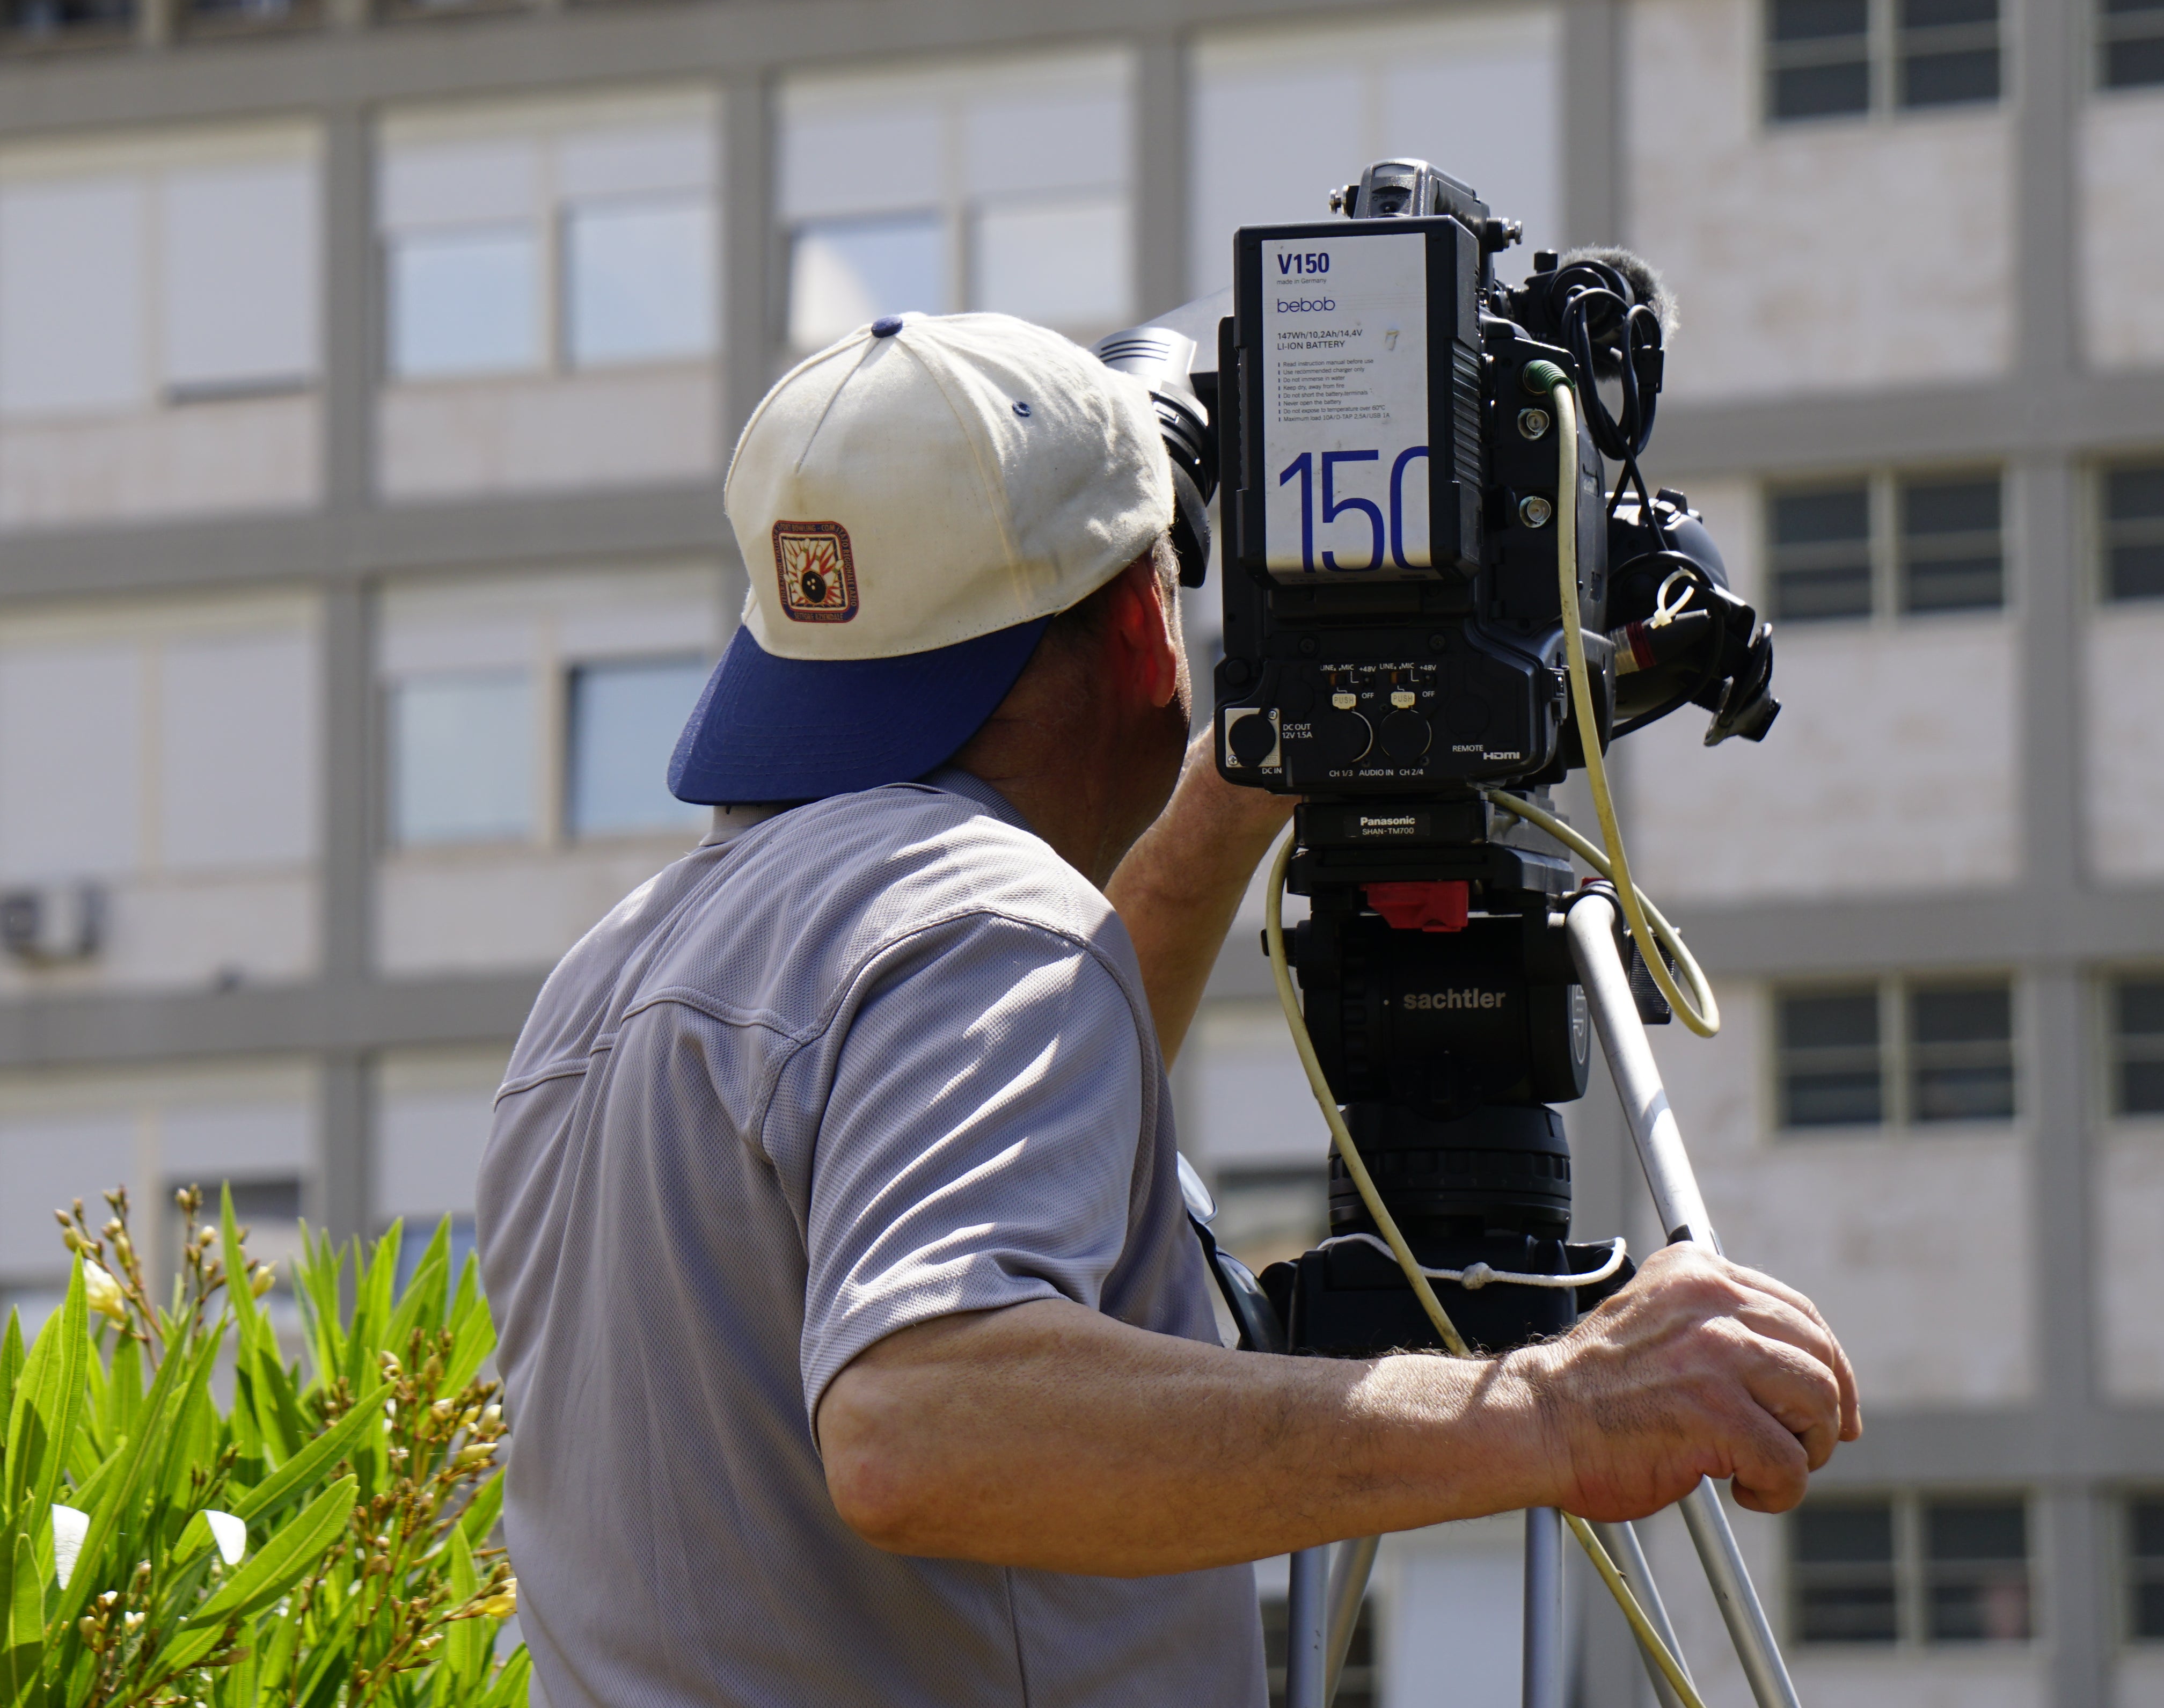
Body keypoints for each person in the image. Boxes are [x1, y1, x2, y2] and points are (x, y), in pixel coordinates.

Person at [475, 311, 1859, 1707]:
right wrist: (1554, 1411)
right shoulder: (981, 914)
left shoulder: (616, 976)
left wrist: (1229, 796)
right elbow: (928, 1422)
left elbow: (983, 1118)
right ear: (1142, 619)